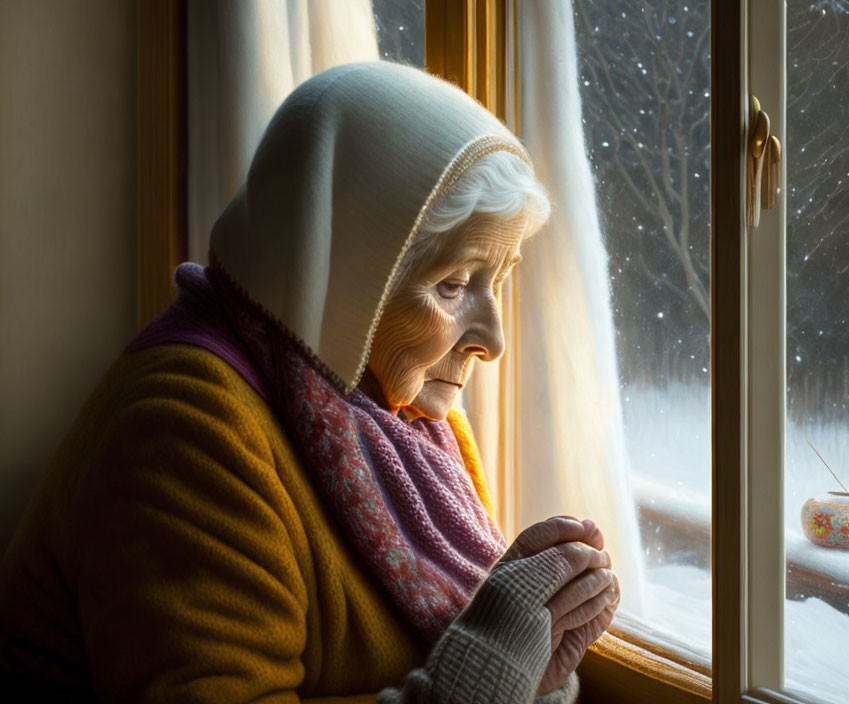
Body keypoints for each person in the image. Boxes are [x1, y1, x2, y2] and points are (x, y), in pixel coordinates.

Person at [0, 61, 619, 702]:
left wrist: (532, 675)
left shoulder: (401, 416)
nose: (493, 341)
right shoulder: (186, 432)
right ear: (346, 274)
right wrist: (485, 671)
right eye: (454, 284)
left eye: (501, 277)